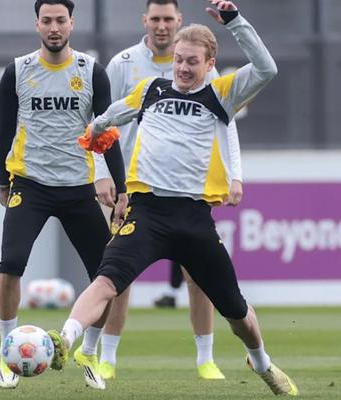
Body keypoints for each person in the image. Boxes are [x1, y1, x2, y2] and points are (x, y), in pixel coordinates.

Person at [50, 0, 299, 396]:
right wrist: (96, 131)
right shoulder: (152, 89)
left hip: (194, 219)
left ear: (210, 63)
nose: (182, 68)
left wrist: (236, 22)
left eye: (192, 62)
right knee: (106, 281)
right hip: (147, 214)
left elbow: (267, 68)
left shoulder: (221, 94)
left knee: (236, 312)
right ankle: (64, 340)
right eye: (179, 60)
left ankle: (261, 361)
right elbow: (112, 114)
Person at [81, 0, 244, 381]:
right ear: (145, 21)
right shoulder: (123, 64)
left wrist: (235, 174)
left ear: (178, 21)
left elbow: (226, 121)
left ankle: (205, 358)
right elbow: (103, 118)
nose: (161, 25)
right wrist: (104, 175)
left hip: (184, 183)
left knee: (197, 274)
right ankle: (106, 356)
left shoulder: (199, 62)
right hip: (130, 182)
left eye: (168, 19)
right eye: (155, 18)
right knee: (118, 271)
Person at [0, 0, 126, 390]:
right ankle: (6, 352)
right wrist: (2, 182)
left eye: (60, 20)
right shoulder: (18, 71)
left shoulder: (91, 72)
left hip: (78, 187)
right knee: (11, 263)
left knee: (107, 275)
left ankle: (88, 350)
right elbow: (4, 132)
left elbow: (106, 133)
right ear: (37, 25)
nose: (54, 27)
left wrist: (121, 188)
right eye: (47, 20)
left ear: (72, 23)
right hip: (30, 184)